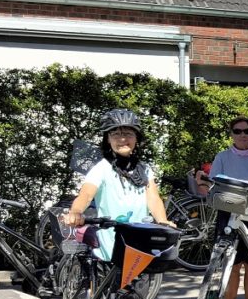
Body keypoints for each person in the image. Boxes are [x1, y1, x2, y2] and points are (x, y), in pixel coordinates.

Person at [64, 109, 174, 259]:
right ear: (108, 140)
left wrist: (162, 221)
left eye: (128, 134)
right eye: (116, 134)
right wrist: (75, 213)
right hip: (110, 240)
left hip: (138, 239)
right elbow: (86, 195)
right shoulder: (102, 168)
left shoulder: (144, 169)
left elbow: (153, 199)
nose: (122, 139)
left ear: (137, 138)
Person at [208, 116, 248, 299]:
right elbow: (214, 180)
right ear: (231, 133)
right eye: (238, 131)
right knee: (230, 266)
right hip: (228, 213)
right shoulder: (222, 156)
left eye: (247, 131)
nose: (243, 135)